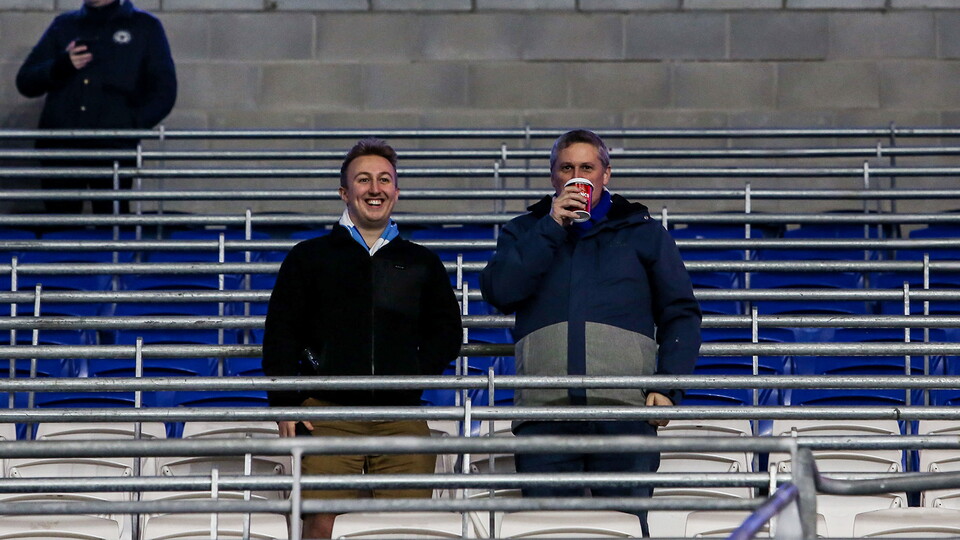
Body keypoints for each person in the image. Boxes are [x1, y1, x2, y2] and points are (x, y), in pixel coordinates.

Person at [480, 129, 701, 535]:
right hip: (544, 414)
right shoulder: (524, 231)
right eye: (567, 168)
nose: (576, 176)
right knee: (547, 532)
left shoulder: (644, 232)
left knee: (622, 529)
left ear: (606, 174)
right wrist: (550, 227)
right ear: (553, 177)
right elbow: (500, 292)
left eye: (587, 167)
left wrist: (668, 386)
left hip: (624, 412)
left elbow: (681, 313)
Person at [262, 138, 463, 539]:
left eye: (385, 180)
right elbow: (281, 331)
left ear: (396, 191)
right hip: (327, 416)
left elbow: (447, 332)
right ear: (344, 192)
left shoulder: (422, 261)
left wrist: (409, 375)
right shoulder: (308, 257)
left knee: (409, 527)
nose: (375, 189)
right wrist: (285, 403)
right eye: (364, 180)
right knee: (321, 522)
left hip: (402, 418)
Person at [16, 0, 177, 214]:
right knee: (61, 228)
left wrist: (128, 127)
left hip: (113, 151)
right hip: (62, 149)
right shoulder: (63, 25)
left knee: (112, 226)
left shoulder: (144, 26)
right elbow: (25, 82)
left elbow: (164, 91)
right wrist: (62, 65)